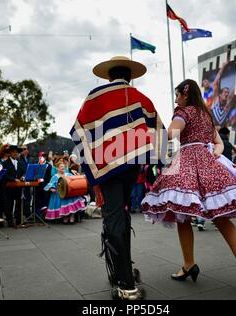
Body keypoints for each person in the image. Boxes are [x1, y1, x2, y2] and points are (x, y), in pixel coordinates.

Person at [142, 79, 236, 290]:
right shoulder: (206, 115)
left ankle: (189, 264)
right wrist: (213, 155)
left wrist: (151, 133)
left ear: (185, 95)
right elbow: (218, 143)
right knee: (221, 216)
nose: (175, 99)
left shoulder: (184, 112)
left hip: (187, 161)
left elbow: (172, 133)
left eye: (177, 95)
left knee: (182, 213)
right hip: (209, 161)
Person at [70, 56, 165, 300]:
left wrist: (91, 165)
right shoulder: (142, 99)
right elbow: (159, 132)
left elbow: (79, 131)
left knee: (113, 216)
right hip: (131, 167)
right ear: (130, 76)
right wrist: (153, 161)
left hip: (106, 168)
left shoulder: (95, 97)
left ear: (110, 76)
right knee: (121, 214)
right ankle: (122, 270)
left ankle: (125, 284)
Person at [3, 145, 27, 227]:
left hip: (18, 187)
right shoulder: (5, 163)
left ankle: (18, 220)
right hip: (9, 187)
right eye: (13, 152)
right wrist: (13, 179)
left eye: (16, 152)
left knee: (19, 203)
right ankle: (9, 221)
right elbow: (4, 174)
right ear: (9, 153)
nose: (15, 153)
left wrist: (23, 176)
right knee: (9, 204)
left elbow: (24, 172)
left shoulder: (20, 162)